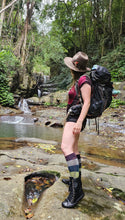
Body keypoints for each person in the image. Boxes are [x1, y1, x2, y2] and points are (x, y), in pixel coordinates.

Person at [61, 51, 92, 208]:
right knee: (74, 149)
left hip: (76, 118)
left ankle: (76, 189)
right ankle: (75, 181)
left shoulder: (84, 80)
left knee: (66, 148)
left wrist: (79, 122)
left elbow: (87, 102)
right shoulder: (80, 79)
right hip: (74, 117)